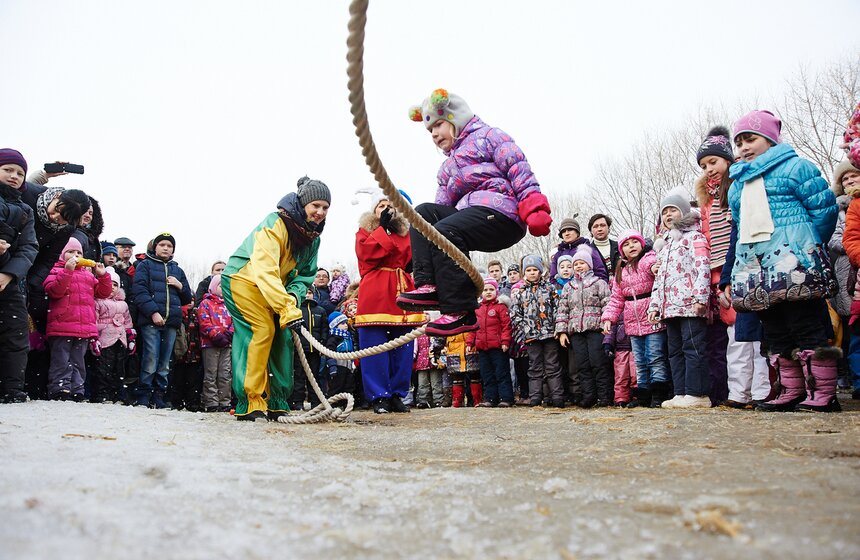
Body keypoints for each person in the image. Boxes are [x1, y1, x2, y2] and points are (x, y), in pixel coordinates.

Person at [398, 88, 552, 334]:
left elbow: (518, 168)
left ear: (455, 118)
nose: (434, 134)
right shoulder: (447, 167)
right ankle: (428, 286)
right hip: (470, 219)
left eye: (438, 125)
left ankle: (461, 311)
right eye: (430, 130)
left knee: (444, 230)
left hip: (501, 214)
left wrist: (534, 206)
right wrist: (417, 253)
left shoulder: (489, 136)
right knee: (423, 215)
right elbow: (440, 210)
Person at [729, 110, 839, 412]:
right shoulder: (737, 184)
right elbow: (739, 223)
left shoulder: (796, 168)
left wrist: (804, 243)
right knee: (775, 329)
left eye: (750, 139)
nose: (744, 148)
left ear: (769, 139)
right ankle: (791, 390)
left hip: (795, 261)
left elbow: (824, 210)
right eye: (739, 143)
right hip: (757, 268)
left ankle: (823, 392)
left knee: (806, 324)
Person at [222, 177, 329, 421]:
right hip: (243, 280)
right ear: (303, 204)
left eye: (325, 207)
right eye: (315, 205)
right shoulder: (274, 224)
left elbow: (304, 276)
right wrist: (286, 307)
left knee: (283, 337)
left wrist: (292, 297)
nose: (320, 212)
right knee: (260, 330)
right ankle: (250, 401)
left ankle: (277, 401)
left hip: (275, 289)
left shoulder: (313, 238)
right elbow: (266, 269)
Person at [355, 191, 424, 414]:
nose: (386, 209)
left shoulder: (406, 233)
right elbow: (366, 254)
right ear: (374, 210)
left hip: (402, 290)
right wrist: (381, 230)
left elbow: (411, 259)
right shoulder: (365, 231)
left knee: (403, 347)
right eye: (381, 205)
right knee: (374, 346)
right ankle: (379, 396)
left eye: (390, 205)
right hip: (375, 291)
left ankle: (397, 394)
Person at [21, 180, 91, 398]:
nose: (56, 218)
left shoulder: (65, 229)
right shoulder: (29, 195)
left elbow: (47, 259)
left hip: (26, 271)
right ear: (57, 198)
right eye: (58, 211)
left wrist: (32, 284)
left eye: (64, 219)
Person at [647, 193, 712, 408]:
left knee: (693, 348)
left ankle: (698, 393)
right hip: (669, 308)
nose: (668, 215)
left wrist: (700, 297)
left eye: (672, 210)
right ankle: (681, 392)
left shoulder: (695, 237)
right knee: (674, 351)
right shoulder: (664, 246)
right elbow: (660, 279)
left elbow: (702, 267)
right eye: (664, 212)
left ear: (684, 212)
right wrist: (655, 305)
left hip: (690, 305)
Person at [601, 230, 669, 408]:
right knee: (639, 361)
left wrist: (654, 268)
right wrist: (608, 318)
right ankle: (643, 394)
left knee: (655, 357)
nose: (631, 246)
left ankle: (659, 394)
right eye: (626, 244)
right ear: (621, 250)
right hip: (632, 323)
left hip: (652, 318)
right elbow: (616, 299)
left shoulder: (647, 259)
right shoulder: (622, 271)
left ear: (641, 244)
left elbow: (652, 264)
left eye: (634, 242)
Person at [43, 237, 112, 400]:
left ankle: (77, 389)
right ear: (62, 255)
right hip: (61, 326)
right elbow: (54, 291)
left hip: (84, 327)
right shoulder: (55, 271)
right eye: (70, 252)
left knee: (78, 360)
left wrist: (103, 276)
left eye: (79, 253)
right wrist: (67, 271)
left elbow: (103, 293)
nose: (76, 255)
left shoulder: (88, 275)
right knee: (61, 360)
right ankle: (60, 388)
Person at [131, 232, 193, 408]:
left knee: (165, 362)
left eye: (169, 246)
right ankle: (144, 394)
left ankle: (159, 395)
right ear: (155, 247)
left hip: (171, 323)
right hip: (151, 321)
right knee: (150, 358)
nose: (166, 248)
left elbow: (187, 298)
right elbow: (140, 292)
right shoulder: (145, 266)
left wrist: (180, 286)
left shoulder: (177, 270)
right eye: (162, 245)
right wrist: (153, 313)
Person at [0, 149, 38, 403]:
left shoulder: (25, 210)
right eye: (8, 170)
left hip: (9, 279)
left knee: (16, 334)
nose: (14, 176)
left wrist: (8, 273)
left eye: (20, 173)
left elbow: (29, 247)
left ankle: (11, 388)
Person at [556, 246, 612, 407]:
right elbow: (563, 309)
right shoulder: (568, 287)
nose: (579, 266)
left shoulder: (599, 283)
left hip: (595, 329)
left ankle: (604, 396)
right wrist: (562, 331)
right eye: (576, 264)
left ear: (589, 264)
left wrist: (606, 323)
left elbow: (607, 304)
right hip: (576, 331)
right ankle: (589, 396)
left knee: (598, 363)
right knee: (582, 365)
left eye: (582, 263)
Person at [512, 255, 564, 407]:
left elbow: (558, 309)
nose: (532, 273)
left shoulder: (550, 288)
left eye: (535, 270)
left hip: (549, 334)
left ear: (540, 271)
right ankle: (535, 397)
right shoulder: (520, 293)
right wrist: (524, 330)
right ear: (524, 273)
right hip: (531, 336)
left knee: (552, 366)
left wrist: (557, 328)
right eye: (528, 270)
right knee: (535, 367)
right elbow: (515, 315)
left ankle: (557, 397)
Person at [92, 267, 134, 403]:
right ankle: (102, 394)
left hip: (120, 340)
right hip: (105, 340)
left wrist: (130, 336)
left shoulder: (123, 304)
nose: (112, 287)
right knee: (104, 368)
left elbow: (127, 322)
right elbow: (93, 320)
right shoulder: (98, 302)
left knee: (119, 368)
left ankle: (117, 394)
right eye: (109, 284)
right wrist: (94, 338)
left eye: (115, 285)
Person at [197, 274, 234, 413]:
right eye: (220, 286)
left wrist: (229, 334)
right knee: (211, 373)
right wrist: (215, 335)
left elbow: (234, 321)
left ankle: (225, 401)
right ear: (213, 287)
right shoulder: (205, 303)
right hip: (210, 344)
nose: (223, 288)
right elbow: (204, 322)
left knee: (225, 373)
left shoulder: (230, 304)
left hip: (226, 343)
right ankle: (211, 401)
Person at [475, 277, 513, 407]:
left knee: (502, 373)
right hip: (482, 347)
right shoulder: (477, 308)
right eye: (485, 290)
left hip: (498, 347)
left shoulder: (500, 307)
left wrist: (505, 341)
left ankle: (506, 398)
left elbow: (506, 326)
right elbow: (473, 327)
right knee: (487, 374)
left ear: (496, 291)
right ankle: (490, 398)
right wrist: (470, 342)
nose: (488, 292)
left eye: (491, 289)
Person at [289, 287, 328, 411]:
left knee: (314, 376)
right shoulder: (297, 310)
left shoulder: (320, 311)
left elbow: (324, 329)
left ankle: (315, 402)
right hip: (300, 349)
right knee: (299, 376)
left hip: (314, 350)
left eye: (310, 293)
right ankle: (298, 401)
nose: (307, 295)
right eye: (305, 293)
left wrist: (322, 343)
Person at [549, 218, 608, 282]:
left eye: (570, 230)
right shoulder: (558, 255)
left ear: (577, 232)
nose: (566, 233)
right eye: (563, 231)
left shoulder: (588, 250)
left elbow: (601, 275)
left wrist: (592, 286)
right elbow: (552, 278)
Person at [603, 322, 637, 407]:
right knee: (621, 375)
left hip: (636, 347)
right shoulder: (615, 315)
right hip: (620, 349)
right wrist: (608, 345)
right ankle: (620, 399)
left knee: (636, 375)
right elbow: (611, 330)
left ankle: (637, 397)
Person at [443, 332, 482, 407]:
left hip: (470, 350)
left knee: (474, 377)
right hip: (455, 351)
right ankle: (458, 401)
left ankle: (476, 400)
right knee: (457, 378)